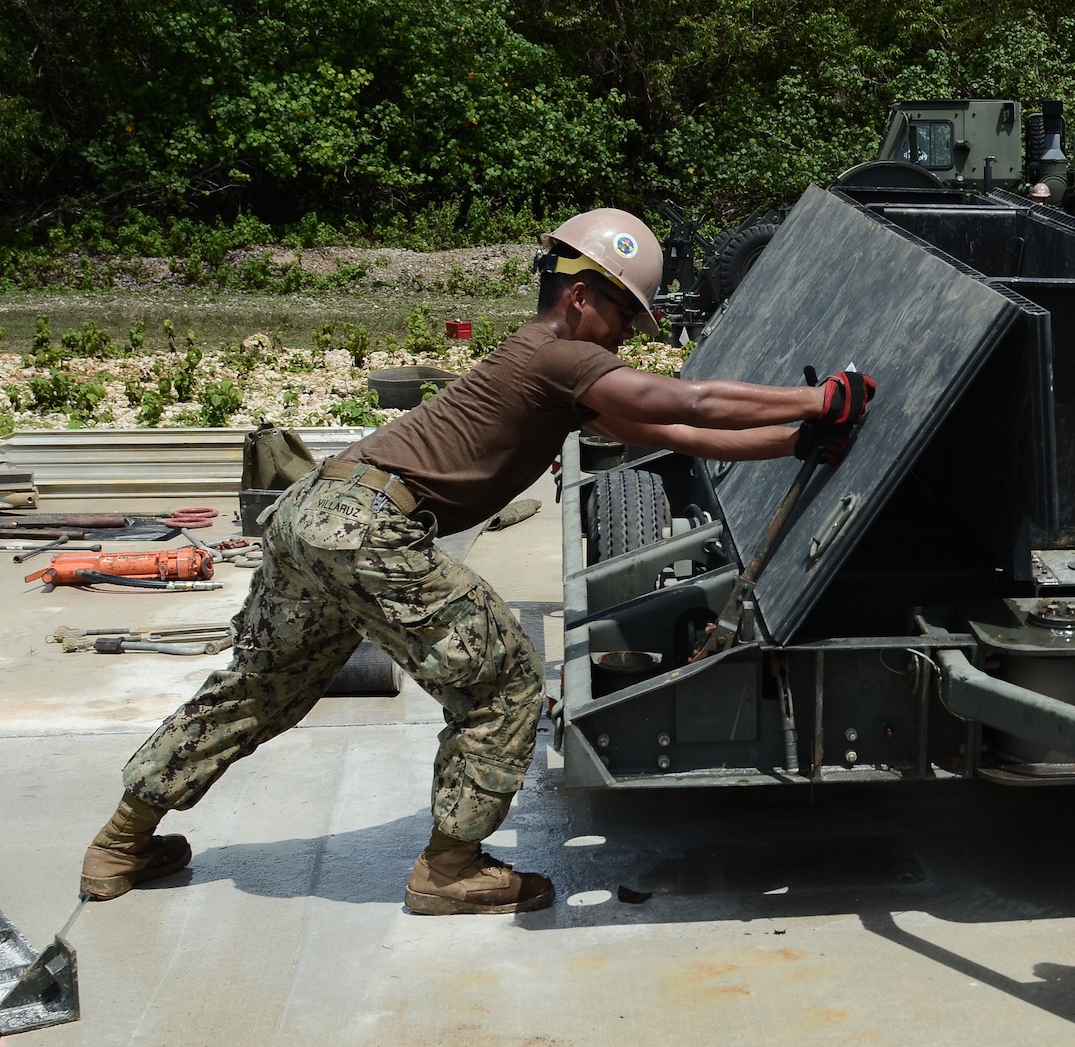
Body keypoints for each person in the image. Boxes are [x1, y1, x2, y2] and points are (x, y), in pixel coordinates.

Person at [78, 209, 876, 914]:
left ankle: (120, 842)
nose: (630, 335)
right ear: (580, 295)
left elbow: (682, 433)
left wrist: (800, 441)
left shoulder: (550, 361)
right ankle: (450, 869)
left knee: (260, 686)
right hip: (367, 530)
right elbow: (692, 401)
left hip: (313, 511)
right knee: (505, 679)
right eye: (626, 316)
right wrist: (817, 399)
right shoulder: (562, 357)